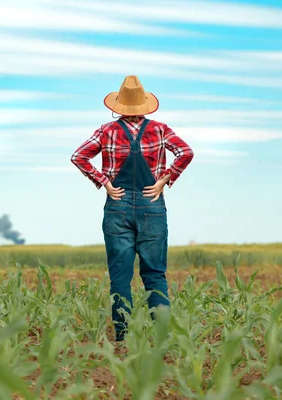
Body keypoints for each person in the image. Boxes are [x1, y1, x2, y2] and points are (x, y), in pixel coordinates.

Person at [70, 75, 194, 341]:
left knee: (120, 276)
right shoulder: (160, 130)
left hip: (118, 205)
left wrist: (104, 182)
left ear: (119, 106)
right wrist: (164, 180)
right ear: (145, 106)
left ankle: (123, 338)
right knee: (155, 274)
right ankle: (162, 337)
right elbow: (186, 152)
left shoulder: (106, 131)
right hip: (152, 205)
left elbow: (78, 156)